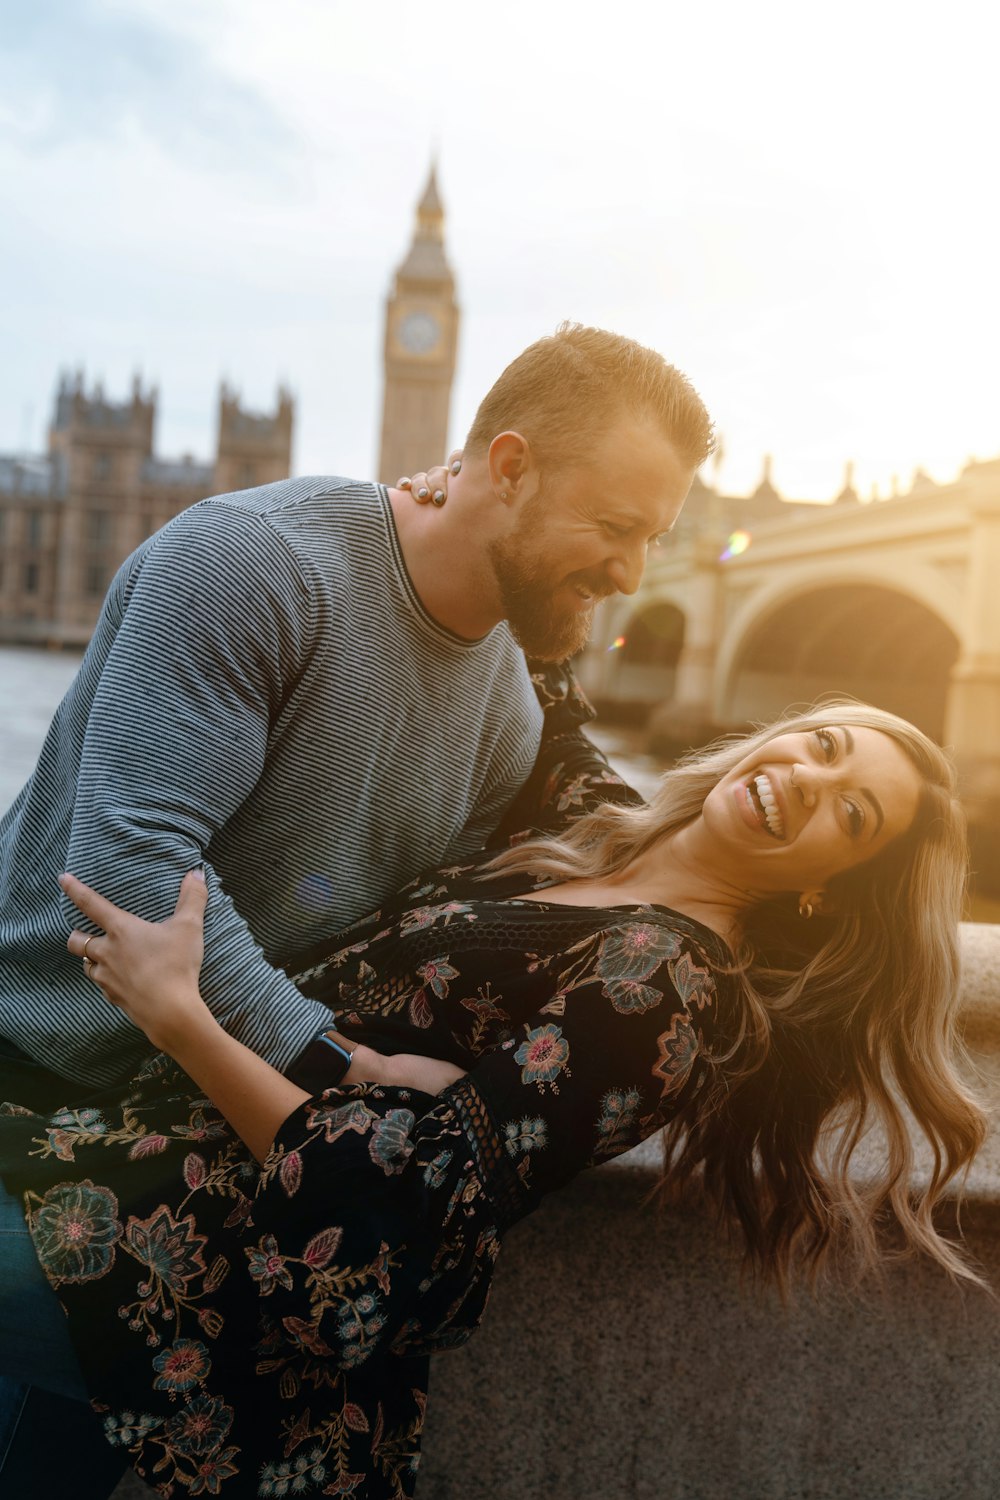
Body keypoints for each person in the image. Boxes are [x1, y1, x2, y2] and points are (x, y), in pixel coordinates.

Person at [0, 322, 711, 1472]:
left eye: (653, 540)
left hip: (159, 1144)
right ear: (511, 465)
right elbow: (132, 872)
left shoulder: (507, 711)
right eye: (617, 529)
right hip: (31, 1070)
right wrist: (337, 1066)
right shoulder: (251, 563)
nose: (632, 573)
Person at [0, 701, 987, 1498]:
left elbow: (388, 1212)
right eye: (820, 743)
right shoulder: (602, 838)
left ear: (830, 889)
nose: (805, 782)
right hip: (116, 1170)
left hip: (180, 1274)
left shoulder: (662, 988)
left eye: (850, 815)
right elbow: (549, 683)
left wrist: (184, 1020)